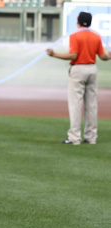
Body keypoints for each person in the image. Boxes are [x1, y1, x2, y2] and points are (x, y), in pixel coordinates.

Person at [46, 11, 110, 145]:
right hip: (92, 69)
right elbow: (103, 57)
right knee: (91, 105)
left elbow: (73, 55)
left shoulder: (75, 36)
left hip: (78, 69)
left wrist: (54, 54)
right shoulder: (96, 36)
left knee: (75, 104)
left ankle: (74, 137)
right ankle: (91, 137)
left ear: (78, 22)